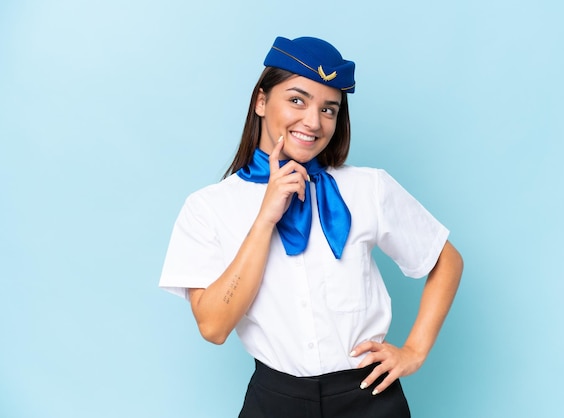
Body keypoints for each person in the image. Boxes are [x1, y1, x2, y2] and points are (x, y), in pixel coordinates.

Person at [159, 36, 463, 418]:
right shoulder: (208, 207)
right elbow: (214, 327)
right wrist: (265, 218)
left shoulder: (369, 187)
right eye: (297, 100)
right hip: (274, 400)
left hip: (369, 398)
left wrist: (415, 351)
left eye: (329, 109)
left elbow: (445, 260)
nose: (313, 121)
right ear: (261, 101)